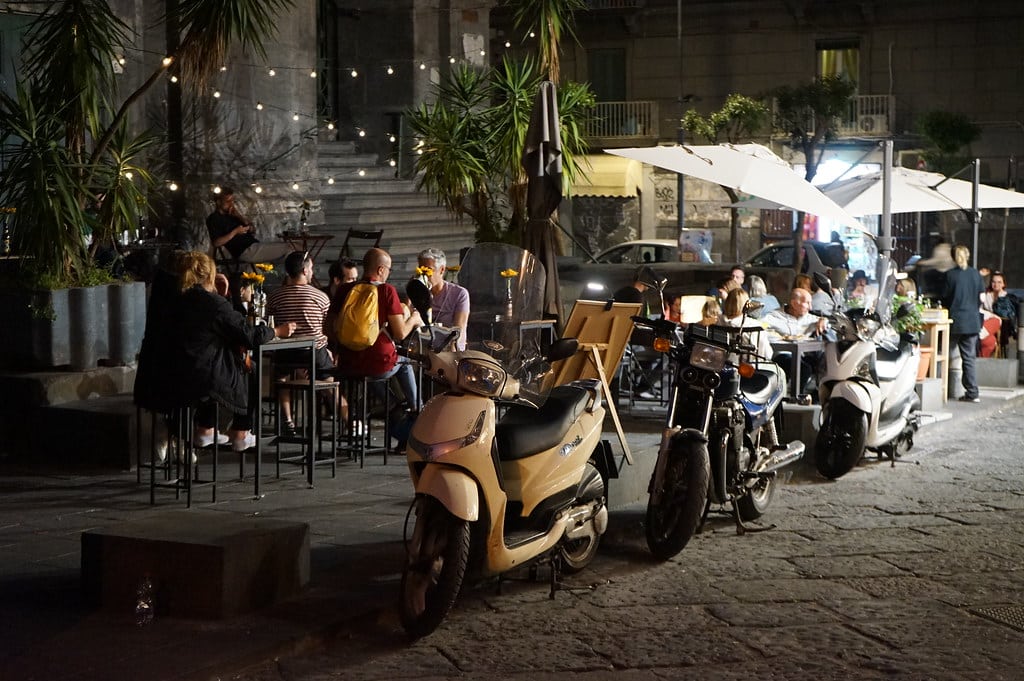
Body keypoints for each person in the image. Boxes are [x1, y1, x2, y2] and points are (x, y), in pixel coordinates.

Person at [171, 251, 296, 452]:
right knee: (250, 369)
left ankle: (206, 428)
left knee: (224, 362)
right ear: (210, 274)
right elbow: (248, 334)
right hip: (205, 375)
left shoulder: (176, 300)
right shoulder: (212, 303)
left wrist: (223, 294)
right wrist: (276, 331)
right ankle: (241, 431)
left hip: (177, 371)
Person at [327, 247, 422, 411]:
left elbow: (327, 329)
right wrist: (414, 319)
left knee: (367, 372)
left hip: (347, 363)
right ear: (381, 269)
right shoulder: (386, 290)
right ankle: (417, 410)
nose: (388, 274)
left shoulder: (344, 289)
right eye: (389, 270)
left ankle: (392, 408)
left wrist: (350, 342)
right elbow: (400, 333)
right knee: (404, 362)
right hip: (379, 362)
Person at [267, 250, 336, 436]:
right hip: (314, 352)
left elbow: (271, 322)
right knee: (329, 382)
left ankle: (288, 420)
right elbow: (324, 328)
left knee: (281, 379)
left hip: (286, 351)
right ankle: (349, 422)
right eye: (311, 268)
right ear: (305, 271)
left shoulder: (275, 296)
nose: (312, 272)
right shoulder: (320, 297)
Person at [764, 287, 828, 396]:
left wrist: (823, 320)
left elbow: (826, 322)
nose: (810, 307)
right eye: (807, 303)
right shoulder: (774, 316)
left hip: (801, 355)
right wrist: (778, 337)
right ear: (794, 303)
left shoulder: (808, 318)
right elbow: (760, 327)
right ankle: (796, 398)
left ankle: (818, 397)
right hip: (781, 355)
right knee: (805, 369)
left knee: (823, 361)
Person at [943, 244, 985, 403]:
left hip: (955, 320)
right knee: (969, 358)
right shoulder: (975, 274)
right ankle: (972, 392)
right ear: (967, 256)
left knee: (944, 354)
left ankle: (943, 389)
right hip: (972, 321)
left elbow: (946, 297)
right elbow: (981, 299)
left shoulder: (950, 275)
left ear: (954, 257)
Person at [206, 187, 289, 264]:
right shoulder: (214, 218)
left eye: (233, 201)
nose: (231, 204)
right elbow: (216, 243)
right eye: (228, 201)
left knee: (290, 248)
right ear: (219, 202)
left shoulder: (232, 215)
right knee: (289, 248)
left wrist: (239, 216)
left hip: (254, 245)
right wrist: (235, 232)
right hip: (245, 251)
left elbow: (253, 230)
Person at [416, 247, 470, 350]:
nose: (424, 275)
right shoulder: (418, 292)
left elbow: (458, 331)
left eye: (428, 270)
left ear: (441, 270)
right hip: (424, 349)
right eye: (421, 270)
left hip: (449, 350)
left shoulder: (459, 294)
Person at [721, 287, 773, 360]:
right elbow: (767, 354)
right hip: (751, 368)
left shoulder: (718, 323)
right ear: (747, 304)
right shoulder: (756, 325)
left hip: (722, 365)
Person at [980, 270, 1018, 357]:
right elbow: (979, 309)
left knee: (996, 322)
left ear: (1004, 284)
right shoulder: (986, 295)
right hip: (985, 324)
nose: (996, 284)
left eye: (999, 282)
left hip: (1002, 328)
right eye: (994, 282)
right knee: (990, 341)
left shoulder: (1007, 299)